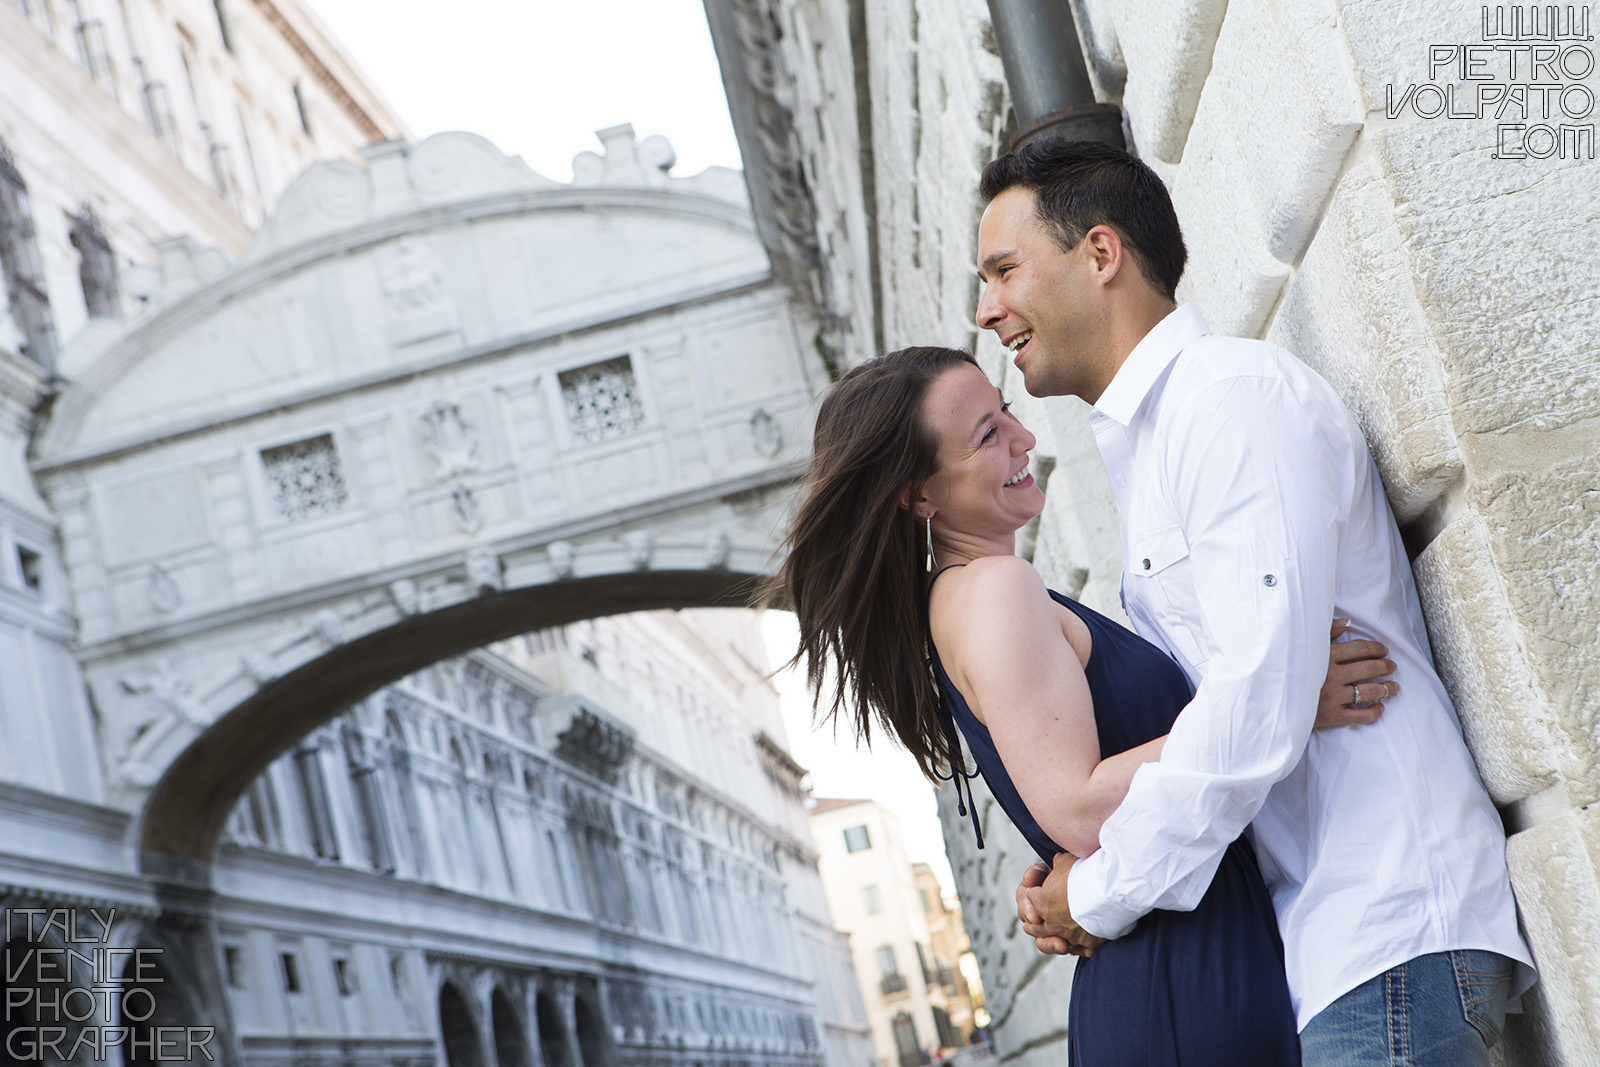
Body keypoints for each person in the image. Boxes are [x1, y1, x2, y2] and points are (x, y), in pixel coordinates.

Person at [973, 138, 1534, 1064]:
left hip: (1385, 926)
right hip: (1324, 947)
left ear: (1100, 255)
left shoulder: (1229, 403)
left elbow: (1256, 703)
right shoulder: (1157, 447)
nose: (986, 307)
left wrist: (1105, 891)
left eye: (1004, 268)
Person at [772, 344, 1401, 1064]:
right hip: (1179, 985)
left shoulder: (969, 595)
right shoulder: (994, 590)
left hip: (1183, 959)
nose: (1024, 439)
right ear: (919, 496)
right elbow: (1078, 808)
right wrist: (1280, 698)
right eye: (987, 435)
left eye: (1005, 412)